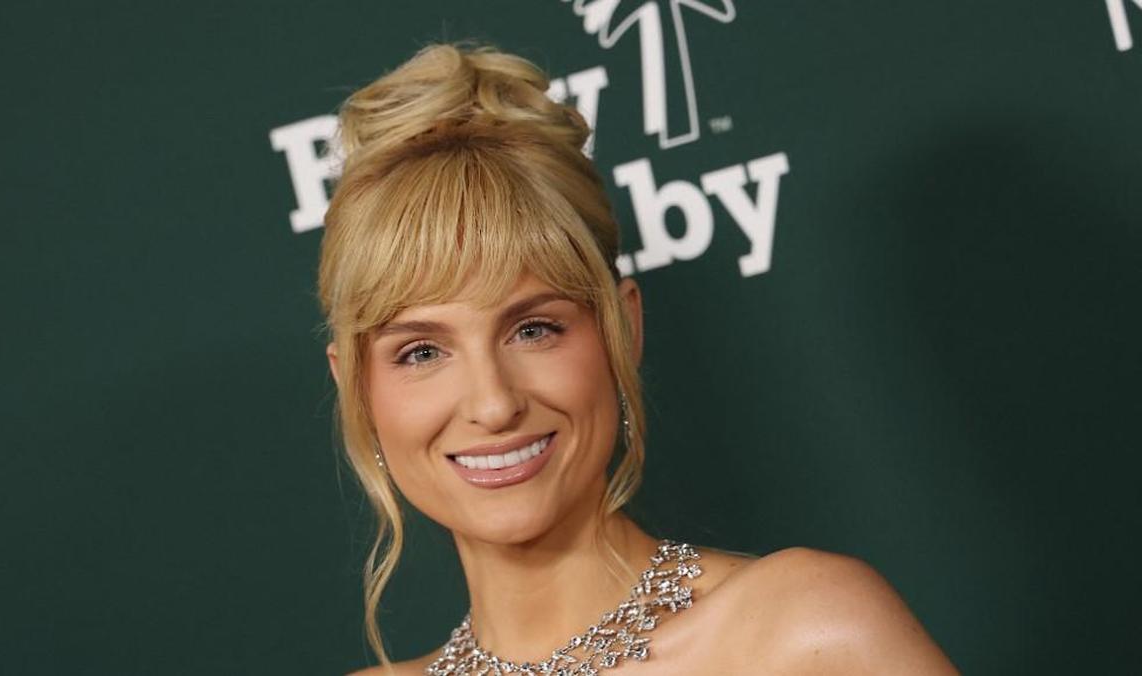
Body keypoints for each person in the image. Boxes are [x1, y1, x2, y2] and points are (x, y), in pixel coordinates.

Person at [318, 42, 957, 675]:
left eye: (533, 330)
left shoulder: (805, 634)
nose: (493, 404)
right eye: (422, 352)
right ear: (355, 388)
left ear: (622, 328)